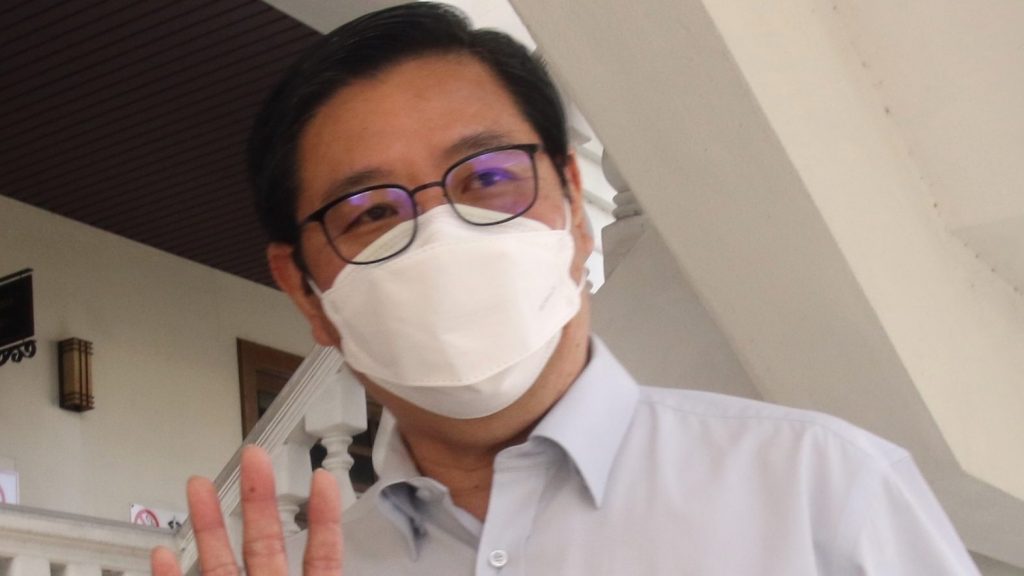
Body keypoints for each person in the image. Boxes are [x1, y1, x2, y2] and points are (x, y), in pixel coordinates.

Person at [152, 3, 981, 574]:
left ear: (577, 210)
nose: (441, 234)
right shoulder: (316, 568)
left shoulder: (821, 490)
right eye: (370, 212)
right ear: (304, 291)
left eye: (487, 178)